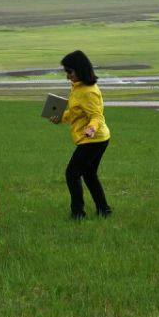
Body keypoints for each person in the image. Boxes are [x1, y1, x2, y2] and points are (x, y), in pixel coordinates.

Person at [49, 50, 112, 220]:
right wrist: (60, 118)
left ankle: (78, 213)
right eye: (66, 72)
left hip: (93, 139)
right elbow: (77, 112)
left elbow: (96, 116)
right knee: (89, 174)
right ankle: (104, 210)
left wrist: (91, 129)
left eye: (70, 72)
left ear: (80, 69)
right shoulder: (77, 87)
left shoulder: (89, 91)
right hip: (95, 138)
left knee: (72, 173)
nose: (68, 76)